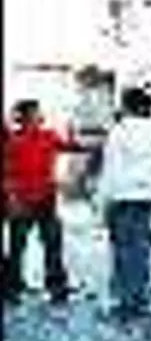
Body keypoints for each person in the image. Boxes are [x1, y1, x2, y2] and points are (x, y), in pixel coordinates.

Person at [95, 87, 151, 322]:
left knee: (122, 250)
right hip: (147, 196)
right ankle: (139, 299)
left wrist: (102, 202)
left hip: (122, 196)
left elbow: (110, 169)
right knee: (140, 250)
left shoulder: (120, 131)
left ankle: (126, 301)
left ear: (126, 106)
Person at [4, 99, 84, 304]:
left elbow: (71, 147)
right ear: (24, 117)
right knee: (17, 247)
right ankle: (12, 289)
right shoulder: (12, 140)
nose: (40, 116)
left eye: (39, 112)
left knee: (53, 244)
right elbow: (6, 173)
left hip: (46, 198)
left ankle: (57, 288)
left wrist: (74, 136)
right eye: (35, 112)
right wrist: (11, 197)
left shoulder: (49, 135)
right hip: (21, 200)